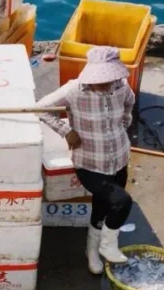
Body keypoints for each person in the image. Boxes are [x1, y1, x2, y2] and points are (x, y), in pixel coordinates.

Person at [39, 45, 135, 275]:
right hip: (90, 164)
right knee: (122, 202)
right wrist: (64, 130)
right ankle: (108, 246)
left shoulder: (122, 87)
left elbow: (130, 102)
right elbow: (40, 108)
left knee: (102, 208)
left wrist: (125, 122)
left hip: (119, 158)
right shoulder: (74, 90)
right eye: (100, 80)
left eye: (108, 80)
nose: (105, 84)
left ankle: (92, 251)